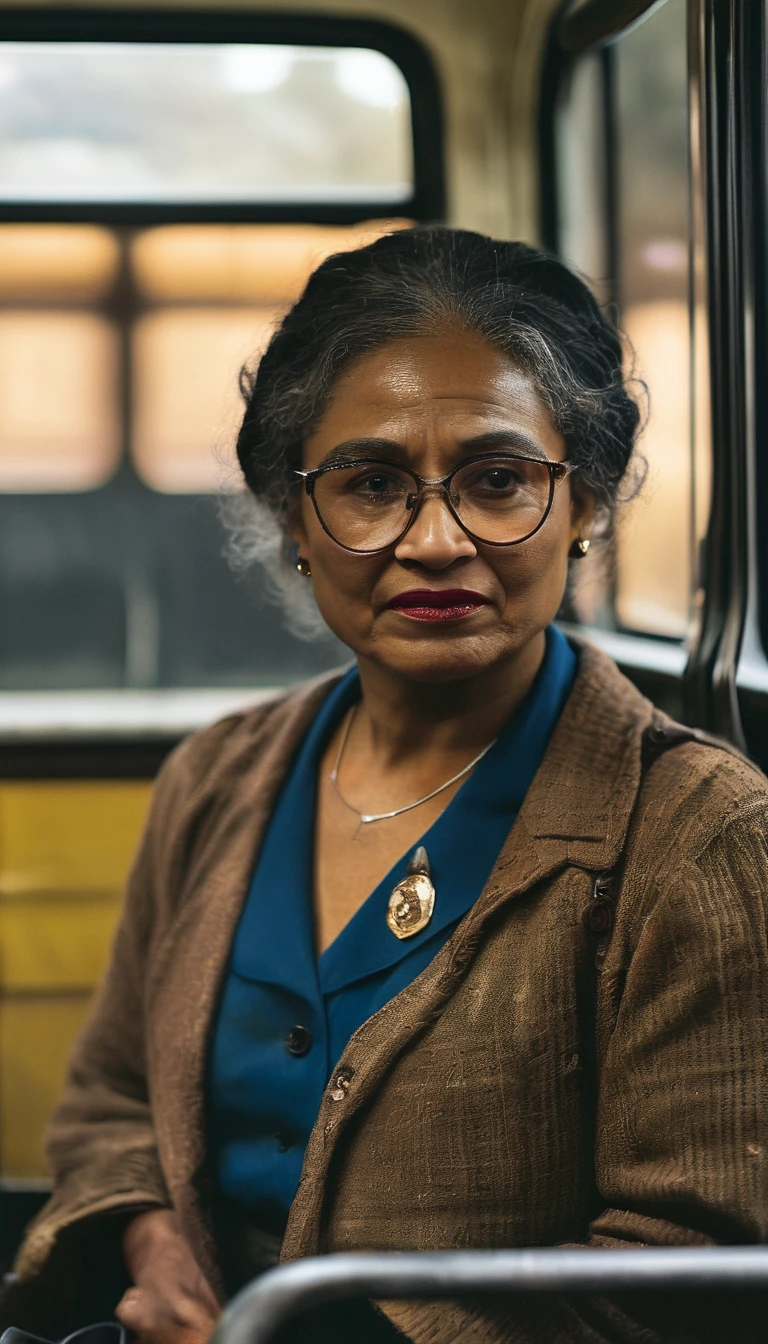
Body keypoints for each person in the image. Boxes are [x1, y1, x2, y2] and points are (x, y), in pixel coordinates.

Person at [2, 228, 766, 1344]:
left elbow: (701, 1270)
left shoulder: (701, 839)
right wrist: (151, 1237)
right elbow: (114, 1102)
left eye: (499, 480)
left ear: (588, 503)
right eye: (370, 485)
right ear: (295, 519)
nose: (438, 539)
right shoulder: (218, 778)